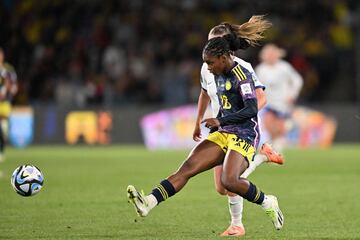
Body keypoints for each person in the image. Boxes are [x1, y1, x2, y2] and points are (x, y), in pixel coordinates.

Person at [127, 36, 284, 233]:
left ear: (223, 58)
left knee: (229, 182)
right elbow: (217, 100)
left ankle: (268, 202)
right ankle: (148, 202)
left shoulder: (241, 75)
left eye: (210, 63)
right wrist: (215, 123)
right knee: (187, 168)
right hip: (223, 132)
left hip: (244, 134)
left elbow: (252, 109)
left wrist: (221, 120)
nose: (208, 68)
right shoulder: (217, 72)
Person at [193, 16, 284, 236]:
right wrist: (198, 121)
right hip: (220, 129)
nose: (210, 47)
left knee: (230, 181)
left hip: (240, 128)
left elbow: (261, 98)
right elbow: (204, 94)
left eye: (215, 42)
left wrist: (244, 116)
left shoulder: (242, 67)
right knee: (221, 188)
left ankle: (237, 224)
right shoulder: (208, 68)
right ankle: (263, 157)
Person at [255, 44, 303, 154]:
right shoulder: (260, 69)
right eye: (267, 54)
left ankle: (276, 145)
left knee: (279, 128)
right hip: (268, 102)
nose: (269, 56)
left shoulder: (284, 67)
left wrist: (293, 95)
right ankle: (272, 146)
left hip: (282, 102)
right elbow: (256, 85)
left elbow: (297, 80)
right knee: (268, 122)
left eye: (272, 54)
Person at [0, 48, 18, 162]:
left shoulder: (8, 70)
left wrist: (9, 90)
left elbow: (14, 87)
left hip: (4, 103)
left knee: (3, 128)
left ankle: (1, 150)